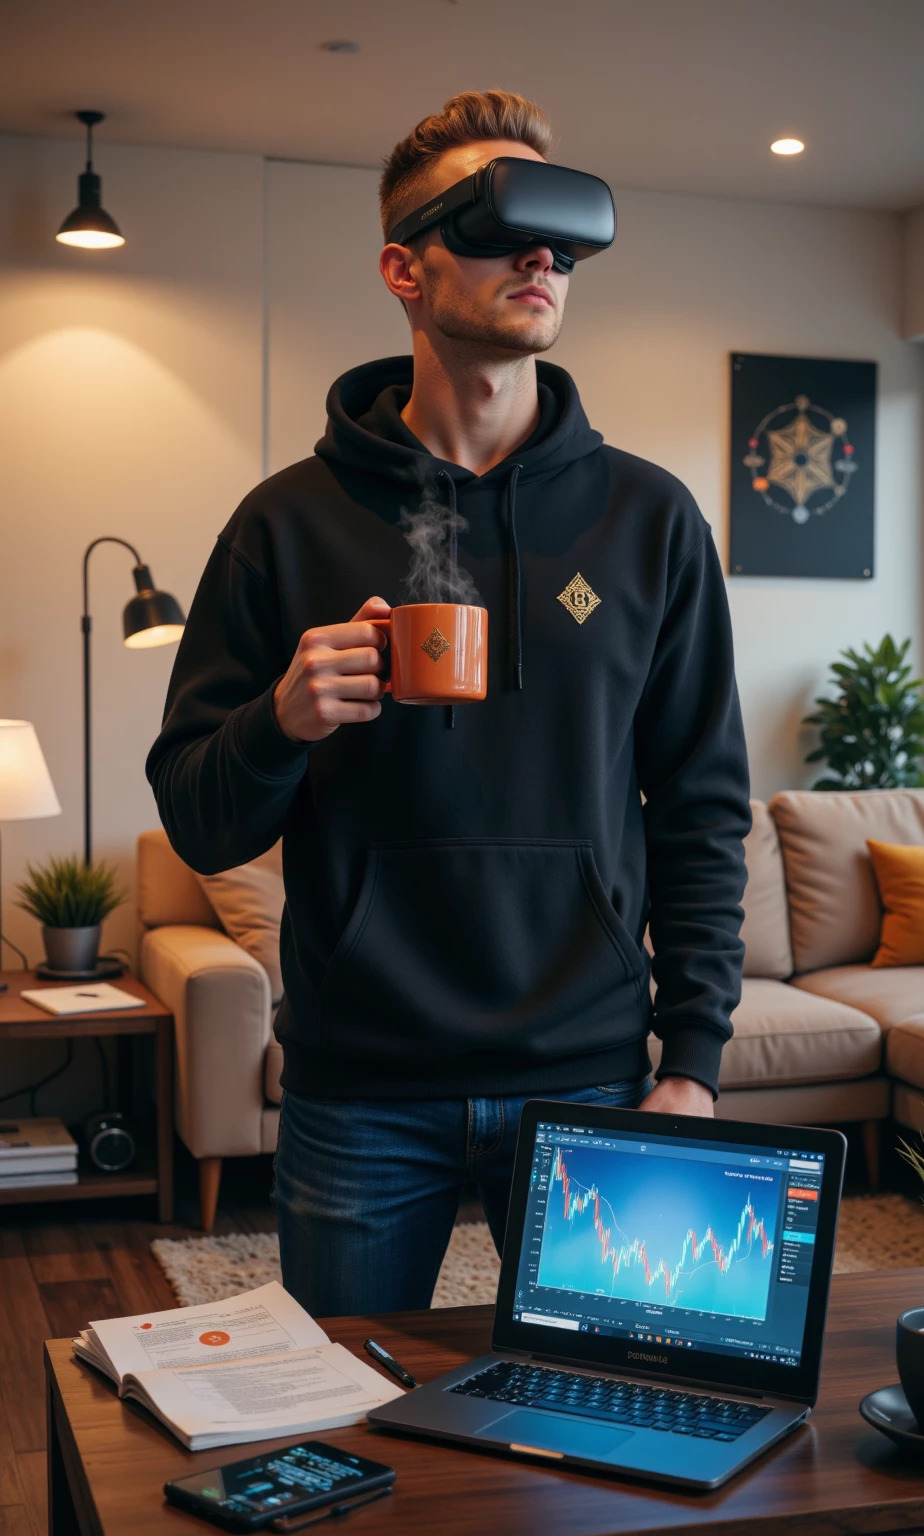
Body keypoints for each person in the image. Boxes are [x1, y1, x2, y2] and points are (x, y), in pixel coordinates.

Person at [147, 89, 751, 1316]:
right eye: (493, 225)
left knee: (600, 1449)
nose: (541, 256)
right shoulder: (286, 523)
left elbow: (701, 806)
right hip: (362, 1090)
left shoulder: (649, 522)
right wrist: (283, 717)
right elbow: (202, 818)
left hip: (588, 1080)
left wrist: (690, 1060)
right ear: (401, 269)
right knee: (351, 1446)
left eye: (561, 236)